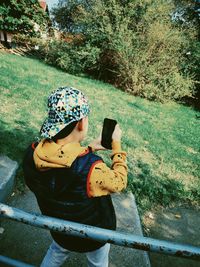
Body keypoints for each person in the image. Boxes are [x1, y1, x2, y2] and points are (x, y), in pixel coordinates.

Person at [23, 86, 128, 267]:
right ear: (81, 123)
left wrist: (88, 149)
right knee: (98, 262)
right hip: (93, 236)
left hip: (60, 231)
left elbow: (64, 164)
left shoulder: (32, 154)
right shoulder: (92, 168)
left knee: (56, 252)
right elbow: (119, 182)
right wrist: (117, 146)